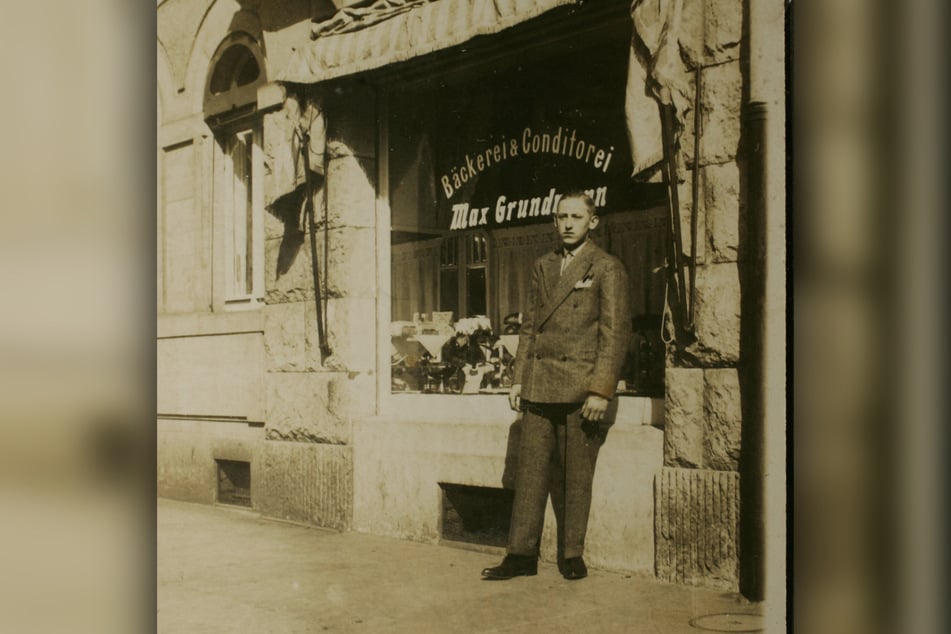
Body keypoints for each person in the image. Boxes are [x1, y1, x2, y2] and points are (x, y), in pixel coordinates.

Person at [482, 191, 631, 581]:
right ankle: (520, 554)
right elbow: (530, 327)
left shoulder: (606, 267)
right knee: (529, 473)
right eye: (561, 216)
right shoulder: (542, 266)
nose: (567, 223)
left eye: (576, 217)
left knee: (577, 477)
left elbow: (614, 334)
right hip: (538, 386)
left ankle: (571, 554)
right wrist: (518, 379)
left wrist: (601, 390)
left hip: (581, 389)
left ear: (592, 222)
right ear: (554, 221)